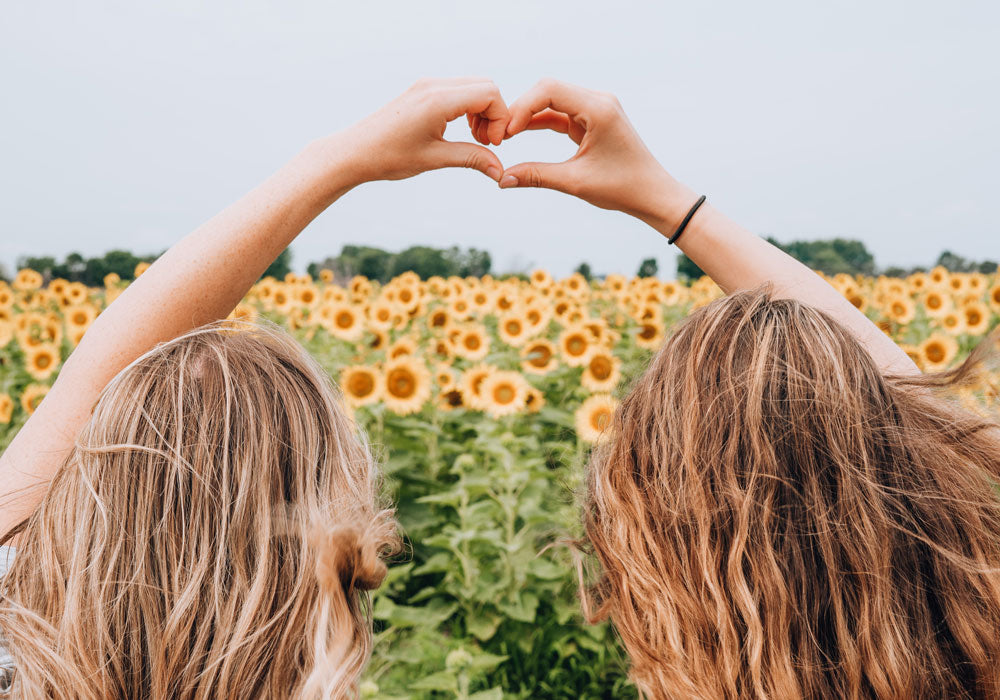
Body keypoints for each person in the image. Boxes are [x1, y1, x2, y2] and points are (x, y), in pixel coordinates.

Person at [0, 77, 513, 699]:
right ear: (321, 563)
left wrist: (336, 160)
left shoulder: (18, 645)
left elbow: (83, 390)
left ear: (84, 512)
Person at [495, 79, 1000, 698]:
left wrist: (351, 158)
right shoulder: (977, 641)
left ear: (657, 555)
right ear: (906, 494)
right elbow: (926, 422)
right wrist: (665, 199)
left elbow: (921, 417)